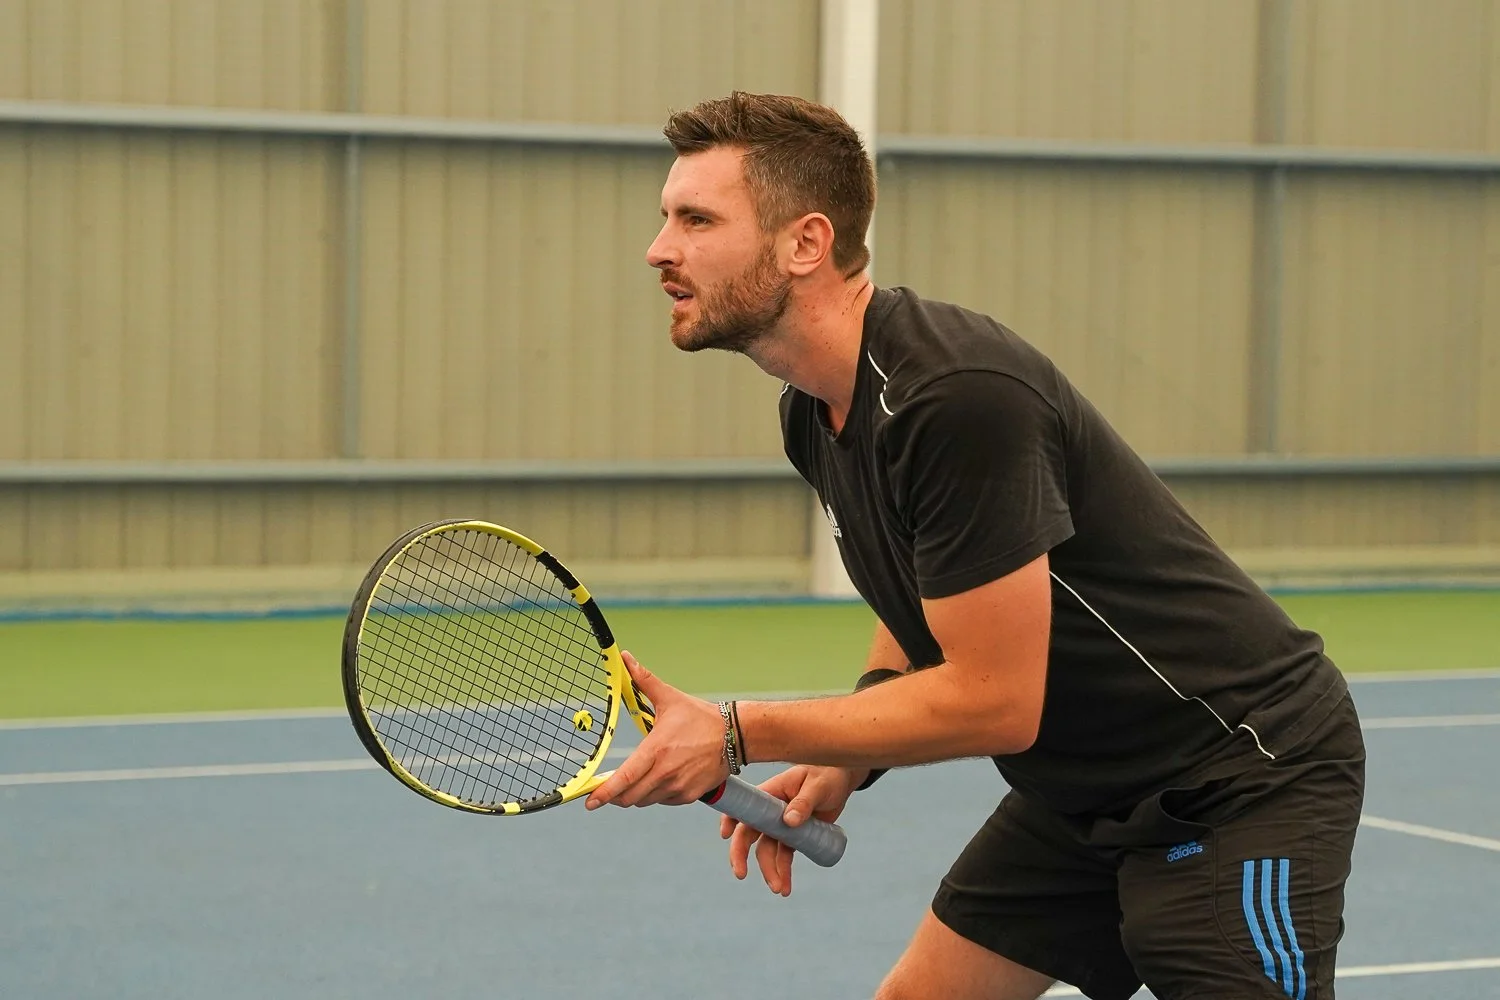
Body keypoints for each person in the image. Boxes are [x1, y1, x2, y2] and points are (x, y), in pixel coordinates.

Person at [583, 91, 1365, 1000]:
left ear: (805, 243)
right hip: (1083, 793)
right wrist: (857, 740)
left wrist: (734, 731)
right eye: (665, 219)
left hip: (1239, 772)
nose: (659, 248)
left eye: (696, 219)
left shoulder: (956, 397)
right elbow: (917, 593)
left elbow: (996, 703)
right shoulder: (813, 408)